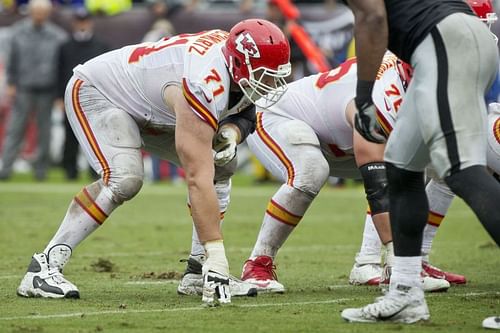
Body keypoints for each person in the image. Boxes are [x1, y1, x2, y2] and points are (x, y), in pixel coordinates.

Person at [16, 18, 291, 305]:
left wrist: (232, 133)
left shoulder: (231, 63)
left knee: (222, 166)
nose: (271, 82)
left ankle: (198, 272)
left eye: (275, 74)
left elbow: (246, 107)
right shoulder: (203, 82)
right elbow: (197, 177)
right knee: (125, 179)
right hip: (101, 92)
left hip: (150, 104)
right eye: (265, 74)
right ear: (237, 64)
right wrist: (218, 255)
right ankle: (43, 267)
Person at [228, 53, 450, 294]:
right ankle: (257, 264)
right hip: (279, 116)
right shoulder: (380, 97)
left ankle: (368, 264)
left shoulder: (404, 73)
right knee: (312, 171)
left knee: (420, 162)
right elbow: (378, 186)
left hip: (336, 137)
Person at [340, 0, 500, 324]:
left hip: (444, 39)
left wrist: (364, 94)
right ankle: (406, 291)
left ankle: (406, 291)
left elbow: (372, 16)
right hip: (453, 39)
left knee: (461, 169)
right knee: (400, 166)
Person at [0, 0, 67, 181]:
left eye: (42, 12)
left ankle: (41, 171)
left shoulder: (57, 36)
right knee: (15, 129)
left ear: (47, 13)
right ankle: (5, 168)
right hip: (23, 88)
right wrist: (11, 84)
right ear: (30, 12)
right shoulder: (18, 32)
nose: (39, 15)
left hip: (47, 89)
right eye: (36, 12)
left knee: (44, 131)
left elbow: (61, 65)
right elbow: (11, 60)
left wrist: (59, 93)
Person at [57, 9, 110, 181]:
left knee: (95, 136)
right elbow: (59, 73)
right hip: (69, 97)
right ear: (74, 23)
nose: (82, 24)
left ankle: (95, 170)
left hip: (94, 99)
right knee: (70, 135)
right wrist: (58, 97)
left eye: (85, 21)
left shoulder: (102, 46)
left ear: (90, 22)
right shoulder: (64, 47)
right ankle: (69, 170)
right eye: (79, 21)